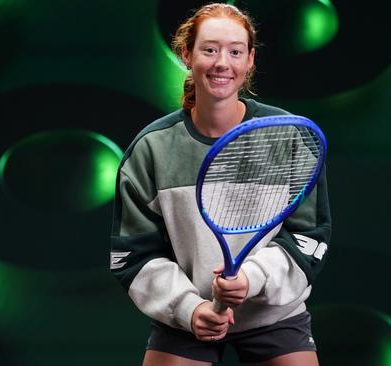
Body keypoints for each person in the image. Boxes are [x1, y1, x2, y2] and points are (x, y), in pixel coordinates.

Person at [110, 3, 331, 365]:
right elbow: (134, 255)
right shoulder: (151, 148)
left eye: (235, 51)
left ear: (250, 60)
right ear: (186, 54)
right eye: (209, 49)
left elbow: (309, 238)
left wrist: (251, 278)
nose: (222, 63)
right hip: (186, 317)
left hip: (275, 315)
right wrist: (191, 309)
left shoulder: (291, 136)